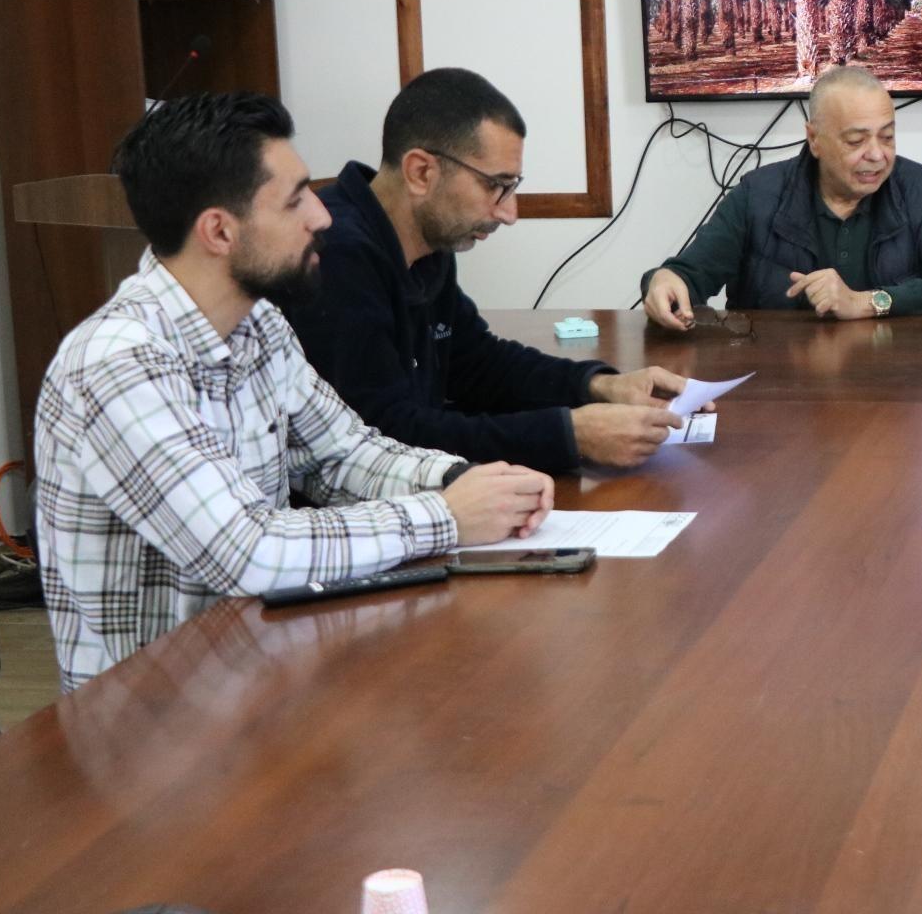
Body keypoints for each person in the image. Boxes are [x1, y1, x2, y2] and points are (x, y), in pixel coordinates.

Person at [34, 93, 553, 691]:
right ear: (220, 231)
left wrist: (465, 480)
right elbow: (247, 551)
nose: (322, 216)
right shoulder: (118, 364)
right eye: (295, 199)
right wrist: (445, 515)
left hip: (256, 676)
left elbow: (344, 454)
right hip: (152, 719)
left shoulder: (257, 324)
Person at [284, 69, 686, 474]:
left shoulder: (428, 240)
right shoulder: (332, 255)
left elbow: (477, 364)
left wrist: (599, 386)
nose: (509, 213)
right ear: (421, 172)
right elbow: (382, 437)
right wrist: (570, 435)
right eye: (496, 185)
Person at [642, 66, 922, 324]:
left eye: (887, 137)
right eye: (856, 141)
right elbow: (689, 275)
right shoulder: (757, 196)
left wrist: (867, 302)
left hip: (894, 384)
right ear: (814, 139)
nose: (877, 155)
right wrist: (665, 281)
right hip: (776, 383)